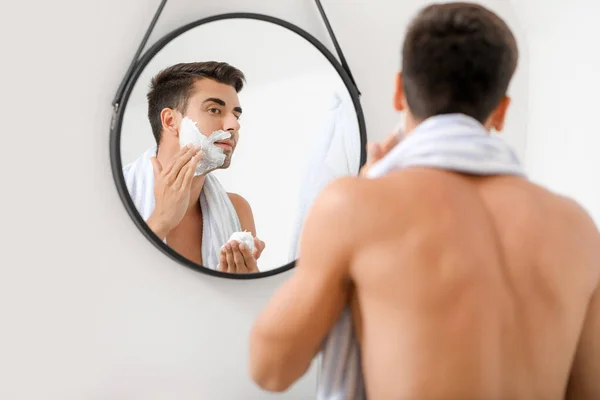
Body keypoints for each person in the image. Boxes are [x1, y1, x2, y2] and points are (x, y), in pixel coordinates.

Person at [248, 3, 600, 399]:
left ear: (399, 91)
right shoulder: (577, 228)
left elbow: (269, 369)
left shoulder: (356, 206)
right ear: (501, 112)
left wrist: (366, 192)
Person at [123, 62, 265, 273]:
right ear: (171, 121)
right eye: (215, 110)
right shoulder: (114, 193)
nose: (234, 125)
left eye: (236, 115)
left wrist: (245, 286)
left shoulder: (238, 210)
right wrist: (160, 220)